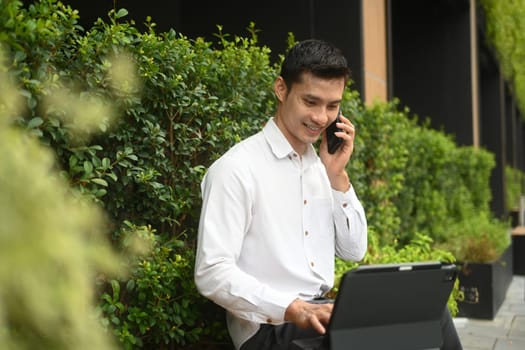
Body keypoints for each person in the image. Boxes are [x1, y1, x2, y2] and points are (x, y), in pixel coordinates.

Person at [194, 39, 462, 350]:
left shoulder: (322, 168)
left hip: (323, 312)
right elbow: (211, 271)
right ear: (281, 89)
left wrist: (337, 176)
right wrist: (294, 308)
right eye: (311, 102)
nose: (322, 118)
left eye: (332, 106)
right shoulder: (235, 169)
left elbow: (353, 251)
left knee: (430, 310)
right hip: (269, 329)